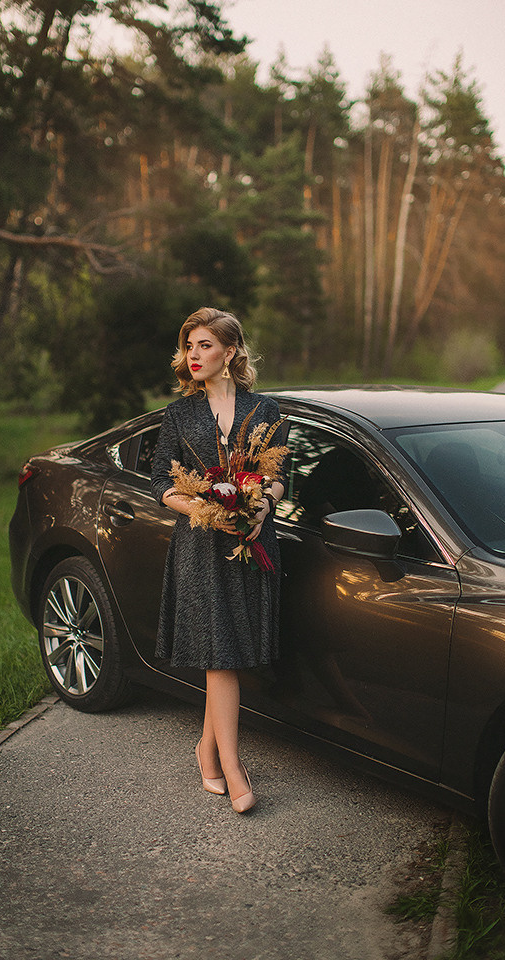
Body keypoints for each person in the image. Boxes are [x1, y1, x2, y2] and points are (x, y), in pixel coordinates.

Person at [151, 307, 287, 813]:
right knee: (221, 655)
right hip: (201, 547)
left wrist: (261, 506)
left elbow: (276, 477)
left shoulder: (265, 409)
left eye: (204, 345)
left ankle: (207, 750)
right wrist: (200, 508)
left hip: (250, 542)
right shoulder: (179, 415)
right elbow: (160, 482)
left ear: (230, 352)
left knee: (226, 652)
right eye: (189, 346)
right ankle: (233, 767)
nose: (193, 355)